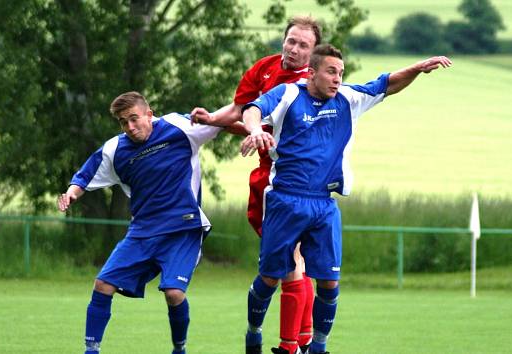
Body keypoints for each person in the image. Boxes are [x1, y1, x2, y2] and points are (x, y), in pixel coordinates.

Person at [240, 44, 452, 354]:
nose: (338, 78)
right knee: (270, 277)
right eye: (331, 72)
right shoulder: (288, 94)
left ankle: (319, 348)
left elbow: (387, 83)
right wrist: (254, 129)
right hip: (285, 200)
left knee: (329, 283)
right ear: (312, 73)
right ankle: (254, 332)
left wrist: (417, 68)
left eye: (341, 72)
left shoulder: (348, 99)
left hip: (325, 204)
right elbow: (253, 109)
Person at [190, 15, 321, 354]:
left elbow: (265, 129)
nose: (293, 48)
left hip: (287, 181)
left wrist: (235, 128)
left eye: (303, 45)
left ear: (314, 52)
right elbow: (240, 109)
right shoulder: (264, 67)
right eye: (291, 40)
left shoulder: (308, 85)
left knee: (289, 262)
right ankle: (303, 342)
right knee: (296, 264)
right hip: (266, 178)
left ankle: (290, 345)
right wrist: (213, 120)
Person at [57, 91, 223, 354]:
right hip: (143, 231)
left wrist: (254, 128)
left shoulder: (178, 127)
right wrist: (71, 193)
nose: (131, 127)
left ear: (149, 113)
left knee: (173, 293)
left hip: (184, 227)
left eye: (134, 119)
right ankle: (91, 351)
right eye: (124, 122)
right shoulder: (116, 150)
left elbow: (222, 120)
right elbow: (86, 175)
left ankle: (179, 349)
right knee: (103, 284)